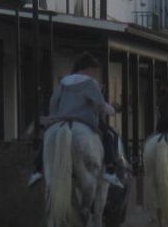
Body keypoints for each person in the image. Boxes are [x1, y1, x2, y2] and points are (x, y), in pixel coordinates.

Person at [28, 53, 124, 188]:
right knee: (109, 135)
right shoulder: (90, 83)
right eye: (93, 70)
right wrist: (112, 110)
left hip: (60, 119)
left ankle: (37, 169)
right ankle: (110, 170)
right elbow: (99, 104)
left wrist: (55, 116)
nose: (93, 73)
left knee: (48, 135)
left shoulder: (63, 82)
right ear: (87, 68)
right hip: (83, 119)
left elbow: (53, 103)